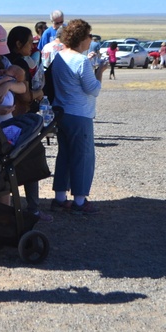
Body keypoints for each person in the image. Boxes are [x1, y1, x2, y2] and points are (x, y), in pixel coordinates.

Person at [49, 19, 107, 215]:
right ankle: (80, 202)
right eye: (89, 36)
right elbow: (93, 89)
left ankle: (59, 198)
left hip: (61, 113)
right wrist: (99, 72)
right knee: (83, 157)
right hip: (80, 115)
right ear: (82, 38)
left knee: (64, 155)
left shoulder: (59, 57)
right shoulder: (81, 60)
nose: (91, 39)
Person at [4, 25, 51, 222]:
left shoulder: (6, 60)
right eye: (29, 41)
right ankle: (32, 209)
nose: (32, 45)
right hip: (22, 120)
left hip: (12, 118)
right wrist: (38, 94)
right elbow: (23, 96)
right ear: (18, 44)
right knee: (32, 162)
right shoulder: (20, 64)